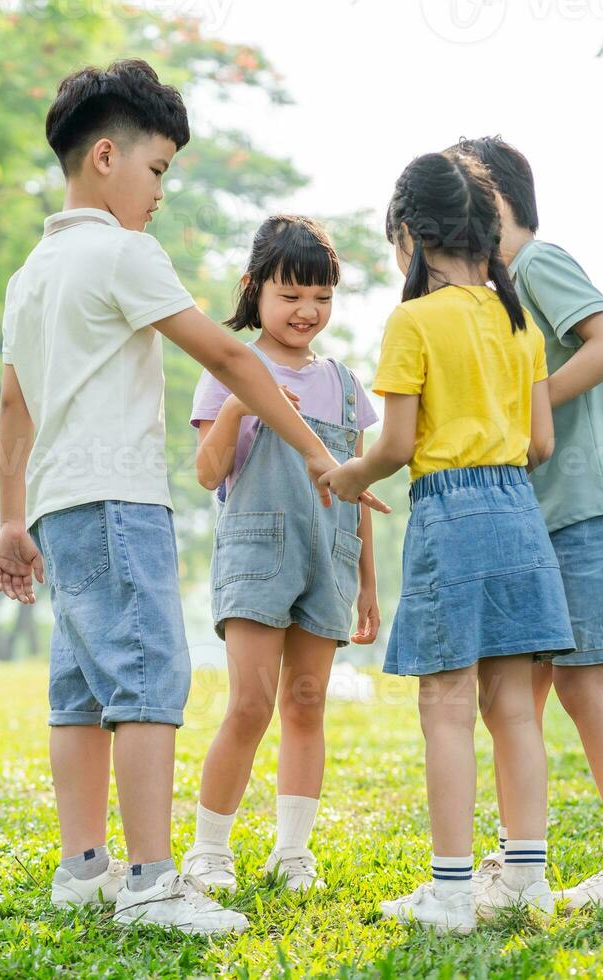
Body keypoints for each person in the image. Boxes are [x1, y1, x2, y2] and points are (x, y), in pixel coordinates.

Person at [0, 58, 386, 935]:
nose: (160, 191)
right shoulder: (123, 251)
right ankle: (151, 883)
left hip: (58, 506)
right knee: (146, 680)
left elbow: (14, 404)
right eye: (158, 169)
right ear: (106, 157)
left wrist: (13, 518)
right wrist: (324, 456)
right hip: (118, 499)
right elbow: (234, 359)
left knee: (83, 692)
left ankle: (83, 869)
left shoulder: (31, 274)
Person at [321, 150, 573, 933]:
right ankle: (526, 881)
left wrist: (346, 476)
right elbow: (539, 444)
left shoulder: (413, 320)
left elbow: (393, 446)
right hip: (518, 514)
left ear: (409, 234)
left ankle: (452, 893)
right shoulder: (516, 319)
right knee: (515, 712)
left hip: (450, 513)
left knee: (444, 704)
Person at [455, 136, 603, 910]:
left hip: (593, 503)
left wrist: (531, 401)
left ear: (489, 200)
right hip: (544, 517)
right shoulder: (494, 295)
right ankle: (521, 870)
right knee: (511, 694)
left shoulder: (536, 263)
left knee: (585, 687)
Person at [183, 216, 381, 893]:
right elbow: (208, 474)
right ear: (254, 289)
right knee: (250, 703)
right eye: (291, 294)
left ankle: (292, 852)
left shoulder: (348, 386)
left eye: (321, 297)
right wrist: (242, 408)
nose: (308, 311)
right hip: (257, 552)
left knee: (307, 703)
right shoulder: (231, 367)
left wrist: (368, 586)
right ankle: (210, 850)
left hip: (331, 555)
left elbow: (355, 488)